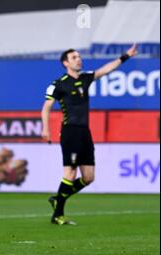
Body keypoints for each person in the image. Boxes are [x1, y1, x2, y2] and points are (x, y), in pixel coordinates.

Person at [41, 44, 138, 225]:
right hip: (70, 132)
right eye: (74, 57)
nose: (79, 59)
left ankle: (57, 199)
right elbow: (46, 107)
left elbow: (106, 70)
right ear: (65, 63)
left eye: (79, 56)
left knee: (88, 177)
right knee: (70, 173)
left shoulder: (86, 78)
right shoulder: (58, 84)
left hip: (85, 132)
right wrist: (45, 129)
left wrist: (126, 56)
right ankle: (58, 215)